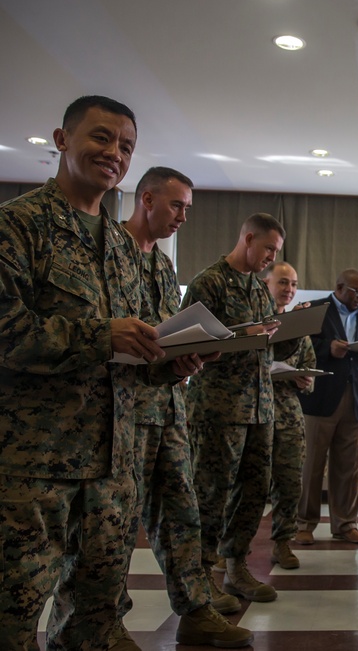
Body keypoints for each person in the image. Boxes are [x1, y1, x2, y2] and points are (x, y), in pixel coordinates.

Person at [0, 96, 205, 650]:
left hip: (114, 461)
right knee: (13, 613)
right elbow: (6, 331)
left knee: (94, 618)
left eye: (126, 146)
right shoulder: (17, 226)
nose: (115, 152)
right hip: (36, 464)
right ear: (62, 140)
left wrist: (171, 364)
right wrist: (99, 336)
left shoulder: (121, 246)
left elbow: (132, 356)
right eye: (101, 137)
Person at [118, 167, 253, 647]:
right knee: (115, 525)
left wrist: (189, 357)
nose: (183, 217)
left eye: (188, 208)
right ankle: (102, 624)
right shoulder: (110, 250)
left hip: (167, 407)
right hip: (124, 413)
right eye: (177, 205)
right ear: (147, 199)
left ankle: (195, 610)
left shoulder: (161, 265)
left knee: (182, 515)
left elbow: (162, 334)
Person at [182, 213, 284, 603]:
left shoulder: (260, 290)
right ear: (249, 238)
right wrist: (245, 335)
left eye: (276, 252)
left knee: (254, 492)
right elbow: (187, 344)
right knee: (212, 493)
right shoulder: (209, 283)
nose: (272, 258)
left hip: (260, 407)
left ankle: (236, 567)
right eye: (269, 248)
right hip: (219, 408)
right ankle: (201, 574)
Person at [296, 269, 358, 545]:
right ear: (339, 287)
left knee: (350, 467)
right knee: (311, 465)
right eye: (356, 291)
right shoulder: (314, 311)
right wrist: (327, 349)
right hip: (320, 398)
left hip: (357, 400)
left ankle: (346, 525)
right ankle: (304, 524)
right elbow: (297, 346)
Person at [263, 262, 316, 569]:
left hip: (288, 415)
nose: (289, 289)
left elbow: (310, 367)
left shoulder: (299, 327)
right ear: (267, 283)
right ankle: (230, 550)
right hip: (254, 412)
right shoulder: (253, 322)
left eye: (294, 284)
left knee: (290, 482)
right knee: (248, 484)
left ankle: (282, 543)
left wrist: (305, 379)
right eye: (283, 282)